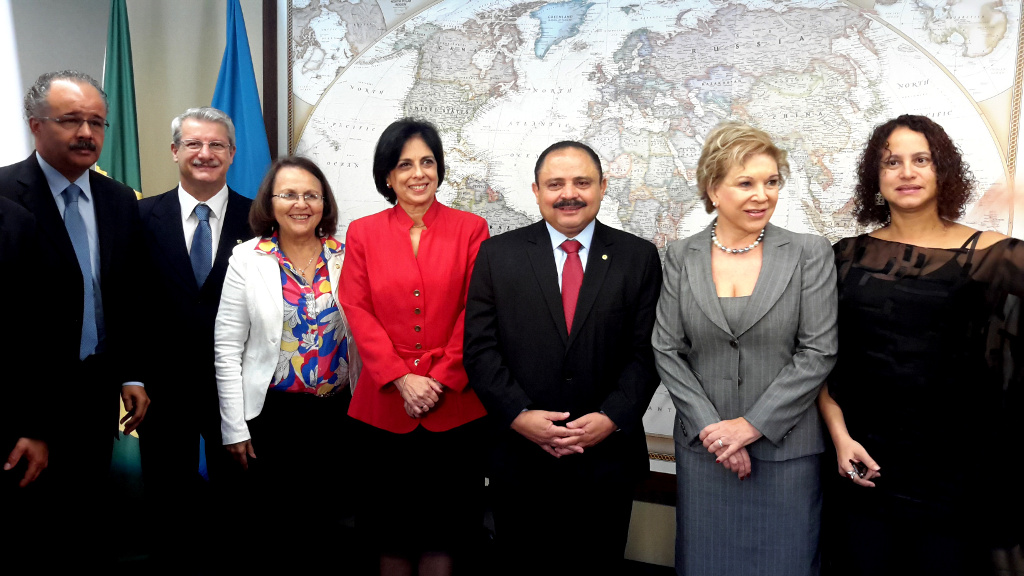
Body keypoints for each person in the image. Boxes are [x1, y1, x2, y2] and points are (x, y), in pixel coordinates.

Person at [818, 114, 1024, 575]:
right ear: (876, 176)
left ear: (942, 171)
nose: (906, 172)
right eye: (892, 161)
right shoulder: (844, 256)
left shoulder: (994, 257)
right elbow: (818, 359)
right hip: (862, 463)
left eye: (921, 160)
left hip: (956, 477)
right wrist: (839, 437)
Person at [464, 140, 663, 574]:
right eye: (555, 184)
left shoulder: (638, 257)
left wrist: (611, 417)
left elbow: (648, 352)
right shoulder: (498, 255)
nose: (568, 193)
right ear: (536, 191)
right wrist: (519, 415)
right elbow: (480, 349)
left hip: (606, 457)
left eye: (582, 182)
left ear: (603, 187)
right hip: (520, 458)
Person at [652, 122, 838, 575]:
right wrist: (715, 431)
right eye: (746, 183)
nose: (762, 195)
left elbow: (818, 351)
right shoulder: (681, 255)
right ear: (713, 189)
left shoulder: (809, 252)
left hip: (786, 453)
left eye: (771, 181)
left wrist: (751, 427)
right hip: (706, 452)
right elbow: (667, 349)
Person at [0, 70, 150, 566]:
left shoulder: (119, 200)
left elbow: (125, 294)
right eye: (70, 120)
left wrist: (129, 372)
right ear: (35, 125)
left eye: (96, 122)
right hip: (24, 410)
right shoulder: (3, 196)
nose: (87, 133)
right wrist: (31, 423)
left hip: (94, 395)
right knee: (32, 535)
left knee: (86, 529)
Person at [338, 118, 489, 576]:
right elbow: (356, 308)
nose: (418, 173)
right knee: (390, 536)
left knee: (445, 536)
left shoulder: (471, 228)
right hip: (383, 409)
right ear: (387, 175)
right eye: (404, 164)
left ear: (440, 170)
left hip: (456, 410)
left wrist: (438, 379)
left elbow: (477, 311)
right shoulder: (363, 232)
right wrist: (403, 378)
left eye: (427, 162)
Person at [214, 156, 356, 569]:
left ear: (324, 203)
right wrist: (233, 426)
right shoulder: (248, 258)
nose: (301, 204)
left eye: (311, 194)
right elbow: (226, 348)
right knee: (275, 535)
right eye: (289, 194)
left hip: (337, 416)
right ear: (270, 202)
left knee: (329, 531)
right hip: (271, 418)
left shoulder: (347, 256)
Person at [137, 107, 252, 571]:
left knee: (240, 506)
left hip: (239, 389)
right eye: (194, 144)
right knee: (168, 507)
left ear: (232, 153)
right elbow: (128, 300)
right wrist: (133, 374)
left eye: (217, 145)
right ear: (174, 151)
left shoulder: (260, 218)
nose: (205, 154)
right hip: (163, 390)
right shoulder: (140, 215)